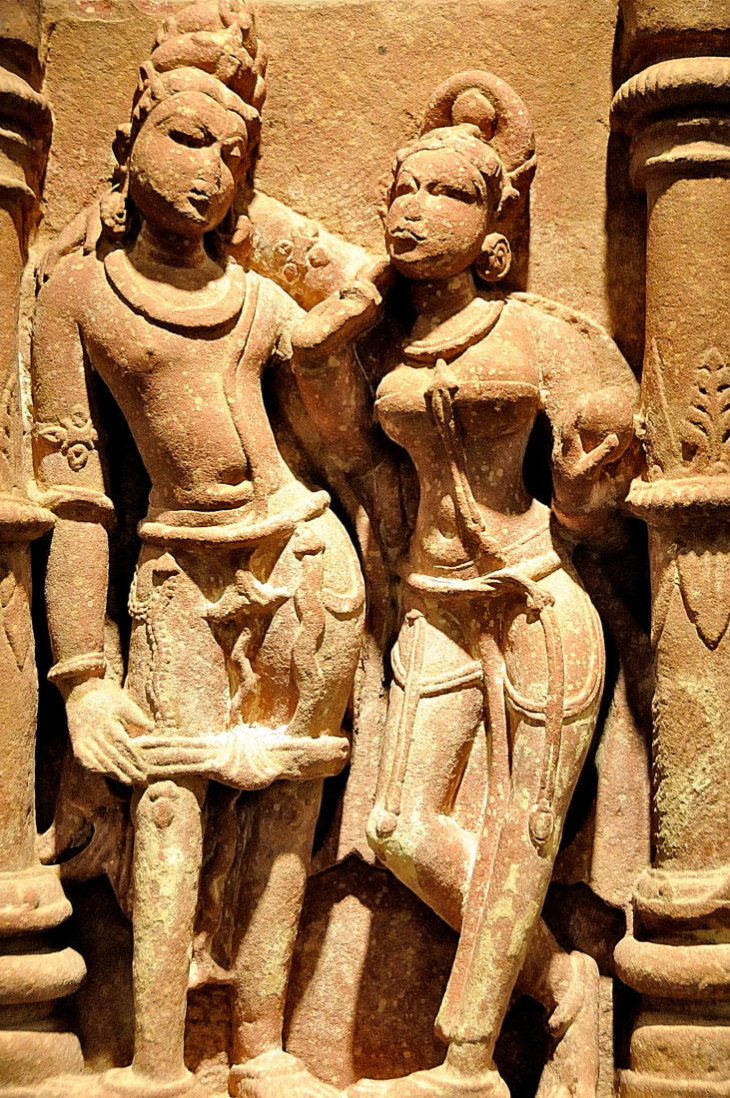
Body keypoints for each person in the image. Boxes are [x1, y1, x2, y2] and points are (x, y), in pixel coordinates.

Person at [31, 3, 363, 1095]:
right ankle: (159, 1061)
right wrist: (83, 677)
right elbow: (77, 499)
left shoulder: (257, 295)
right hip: (176, 564)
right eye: (183, 138)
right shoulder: (77, 295)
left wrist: (259, 222)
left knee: (289, 791)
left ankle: (261, 1049)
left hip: (303, 560)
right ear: (126, 142)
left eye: (233, 156)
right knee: (168, 791)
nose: (209, 171)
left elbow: (362, 278)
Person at [292, 70, 638, 1098]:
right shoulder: (385, 340)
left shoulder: (538, 331)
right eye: (403, 189)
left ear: (494, 227)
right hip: (432, 605)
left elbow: (602, 490)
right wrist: (325, 341)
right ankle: (560, 981)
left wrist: (584, 490)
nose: (414, 209)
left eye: (446, 194)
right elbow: (345, 451)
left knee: (525, 826)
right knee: (398, 828)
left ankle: (467, 1060)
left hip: (536, 597)